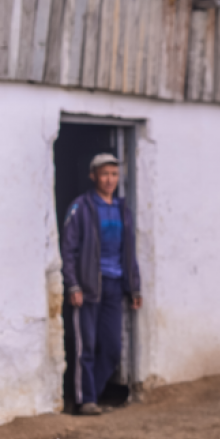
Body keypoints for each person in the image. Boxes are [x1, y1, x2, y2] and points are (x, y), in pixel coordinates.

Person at [61, 154, 142, 416]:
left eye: (114, 174)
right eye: (104, 174)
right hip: (88, 288)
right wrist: (73, 285)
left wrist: (134, 288)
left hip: (115, 285)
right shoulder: (81, 207)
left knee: (111, 348)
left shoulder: (122, 209)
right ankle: (86, 401)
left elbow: (129, 251)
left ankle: (89, 394)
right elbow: (69, 249)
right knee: (87, 346)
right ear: (93, 176)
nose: (110, 180)